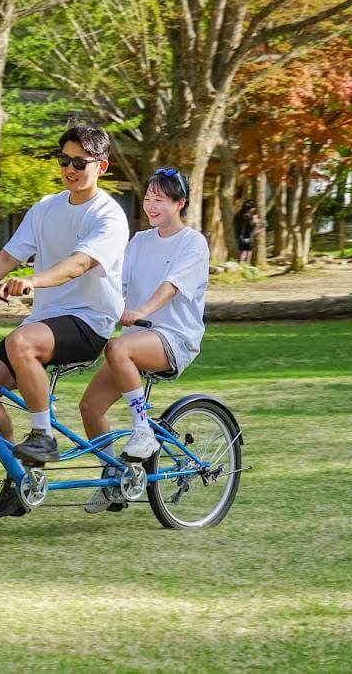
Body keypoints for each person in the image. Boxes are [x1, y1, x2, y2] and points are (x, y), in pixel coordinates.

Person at [0, 123, 128, 518]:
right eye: (63, 160)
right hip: (46, 320)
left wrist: (32, 281)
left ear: (101, 166)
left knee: (21, 343)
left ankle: (43, 437)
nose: (70, 169)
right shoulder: (46, 208)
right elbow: (6, 258)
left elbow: (79, 264)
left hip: (90, 322)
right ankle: (22, 476)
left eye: (79, 162)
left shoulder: (109, 216)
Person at [78, 168, 209, 513]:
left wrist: (140, 311)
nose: (152, 206)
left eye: (161, 200)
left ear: (179, 203)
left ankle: (142, 431)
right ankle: (115, 479)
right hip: (136, 341)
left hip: (174, 339)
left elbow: (171, 286)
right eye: (149, 198)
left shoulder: (193, 242)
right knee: (89, 407)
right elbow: (117, 285)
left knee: (118, 347)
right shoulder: (138, 241)